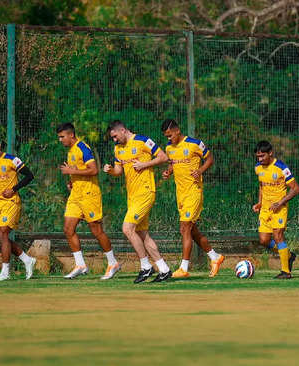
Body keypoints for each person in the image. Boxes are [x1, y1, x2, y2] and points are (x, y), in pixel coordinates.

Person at [103, 120, 172, 283]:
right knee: (142, 234)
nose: (114, 140)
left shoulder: (142, 141)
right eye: (112, 138)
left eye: (115, 136)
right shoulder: (117, 149)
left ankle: (145, 267)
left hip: (146, 191)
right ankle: (164, 269)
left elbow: (163, 157)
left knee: (127, 228)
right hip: (132, 196)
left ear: (123, 130)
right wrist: (111, 171)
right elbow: (119, 170)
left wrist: (144, 164)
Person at [161, 119, 225, 279]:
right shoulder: (169, 148)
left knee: (184, 228)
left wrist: (201, 170)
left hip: (194, 193)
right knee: (192, 231)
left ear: (177, 131)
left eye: (170, 135)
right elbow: (173, 164)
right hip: (180, 195)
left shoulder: (194, 143)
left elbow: (210, 158)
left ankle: (183, 268)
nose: (168, 139)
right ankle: (215, 257)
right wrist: (168, 172)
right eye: (166, 136)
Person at [57, 123, 120, 280]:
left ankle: (113, 263)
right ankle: (80, 265)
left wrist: (72, 171)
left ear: (71, 135)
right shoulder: (71, 151)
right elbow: (80, 171)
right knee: (68, 229)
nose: (60, 140)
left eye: (62, 136)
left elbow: (94, 170)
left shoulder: (83, 148)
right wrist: (72, 180)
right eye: (59, 137)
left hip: (89, 194)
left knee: (96, 230)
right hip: (76, 195)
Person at [0, 134, 36, 282]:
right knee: (2, 237)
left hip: (11, 202)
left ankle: (5, 272)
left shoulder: (12, 159)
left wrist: (14, 189)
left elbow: (29, 175)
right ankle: (27, 260)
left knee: (4, 233)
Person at [253, 141, 299, 279]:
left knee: (278, 236)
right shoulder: (258, 168)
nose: (260, 159)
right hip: (265, 209)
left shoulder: (281, 168)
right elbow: (261, 185)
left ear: (270, 153)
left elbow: (295, 188)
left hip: (280, 209)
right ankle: (289, 256)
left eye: (262, 156)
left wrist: (280, 202)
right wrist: (259, 203)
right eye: (258, 157)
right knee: (264, 240)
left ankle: (286, 272)